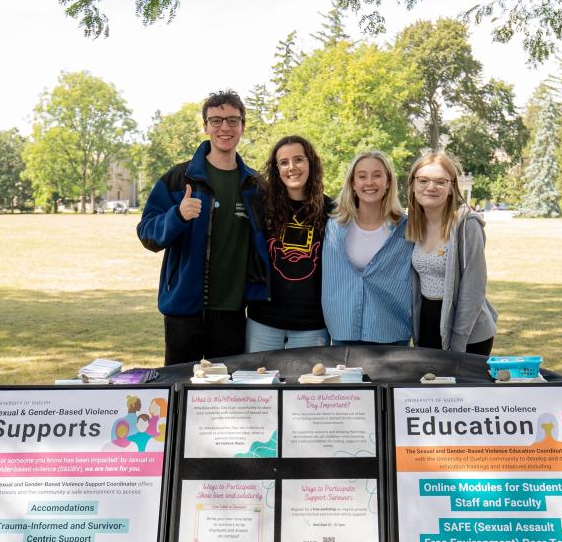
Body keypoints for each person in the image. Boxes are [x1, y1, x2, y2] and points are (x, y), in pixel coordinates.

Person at [137, 90, 270, 364]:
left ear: (243, 127)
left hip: (233, 311)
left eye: (233, 120)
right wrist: (177, 215)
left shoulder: (255, 186)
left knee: (225, 399)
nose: (225, 127)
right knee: (180, 391)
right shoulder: (179, 178)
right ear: (206, 126)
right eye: (217, 120)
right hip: (183, 311)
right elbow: (147, 233)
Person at [246, 135, 335, 351]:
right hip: (263, 321)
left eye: (298, 160)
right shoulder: (260, 207)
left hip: (311, 325)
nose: (291, 167)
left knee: (306, 385)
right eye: (284, 162)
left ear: (310, 163)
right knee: (258, 384)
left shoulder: (332, 211)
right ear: (276, 169)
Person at [405, 153, 497, 355]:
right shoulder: (414, 226)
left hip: (467, 334)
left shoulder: (467, 226)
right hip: (428, 328)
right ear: (412, 185)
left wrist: (457, 343)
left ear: (451, 187)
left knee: (459, 387)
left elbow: (473, 288)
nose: (431, 187)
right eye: (423, 180)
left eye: (440, 181)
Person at [321, 151, 413, 345]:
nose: (369, 182)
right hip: (343, 332)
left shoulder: (407, 229)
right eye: (362, 176)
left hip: (391, 333)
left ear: (388, 182)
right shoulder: (334, 227)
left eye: (377, 175)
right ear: (353, 184)